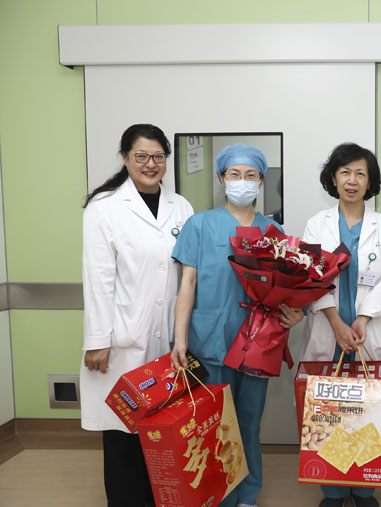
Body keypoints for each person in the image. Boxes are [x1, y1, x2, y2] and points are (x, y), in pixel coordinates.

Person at [171, 143, 304, 507]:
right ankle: (219, 495)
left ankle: (247, 494)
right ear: (221, 179)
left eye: (250, 175)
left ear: (260, 181)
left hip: (259, 343)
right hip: (210, 338)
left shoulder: (272, 230)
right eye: (234, 174)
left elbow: (285, 288)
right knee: (215, 421)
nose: (242, 182)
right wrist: (180, 339)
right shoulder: (199, 225)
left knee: (248, 420)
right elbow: (188, 284)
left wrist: (296, 312)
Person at [80, 124, 194, 507]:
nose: (150, 164)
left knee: (162, 431)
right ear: (125, 158)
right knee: (123, 433)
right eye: (141, 156)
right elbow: (98, 278)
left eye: (158, 156)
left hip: (168, 337)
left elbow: (188, 275)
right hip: (122, 338)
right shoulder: (104, 207)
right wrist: (98, 340)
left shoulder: (181, 207)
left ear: (167, 160)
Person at [301, 143, 381, 507]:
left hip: (368, 332)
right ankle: (332, 490)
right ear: (333, 179)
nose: (352, 180)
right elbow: (309, 275)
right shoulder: (317, 224)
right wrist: (336, 322)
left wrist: (362, 318)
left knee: (368, 412)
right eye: (345, 172)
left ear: (370, 181)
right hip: (329, 330)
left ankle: (364, 489)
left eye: (360, 173)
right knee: (328, 409)